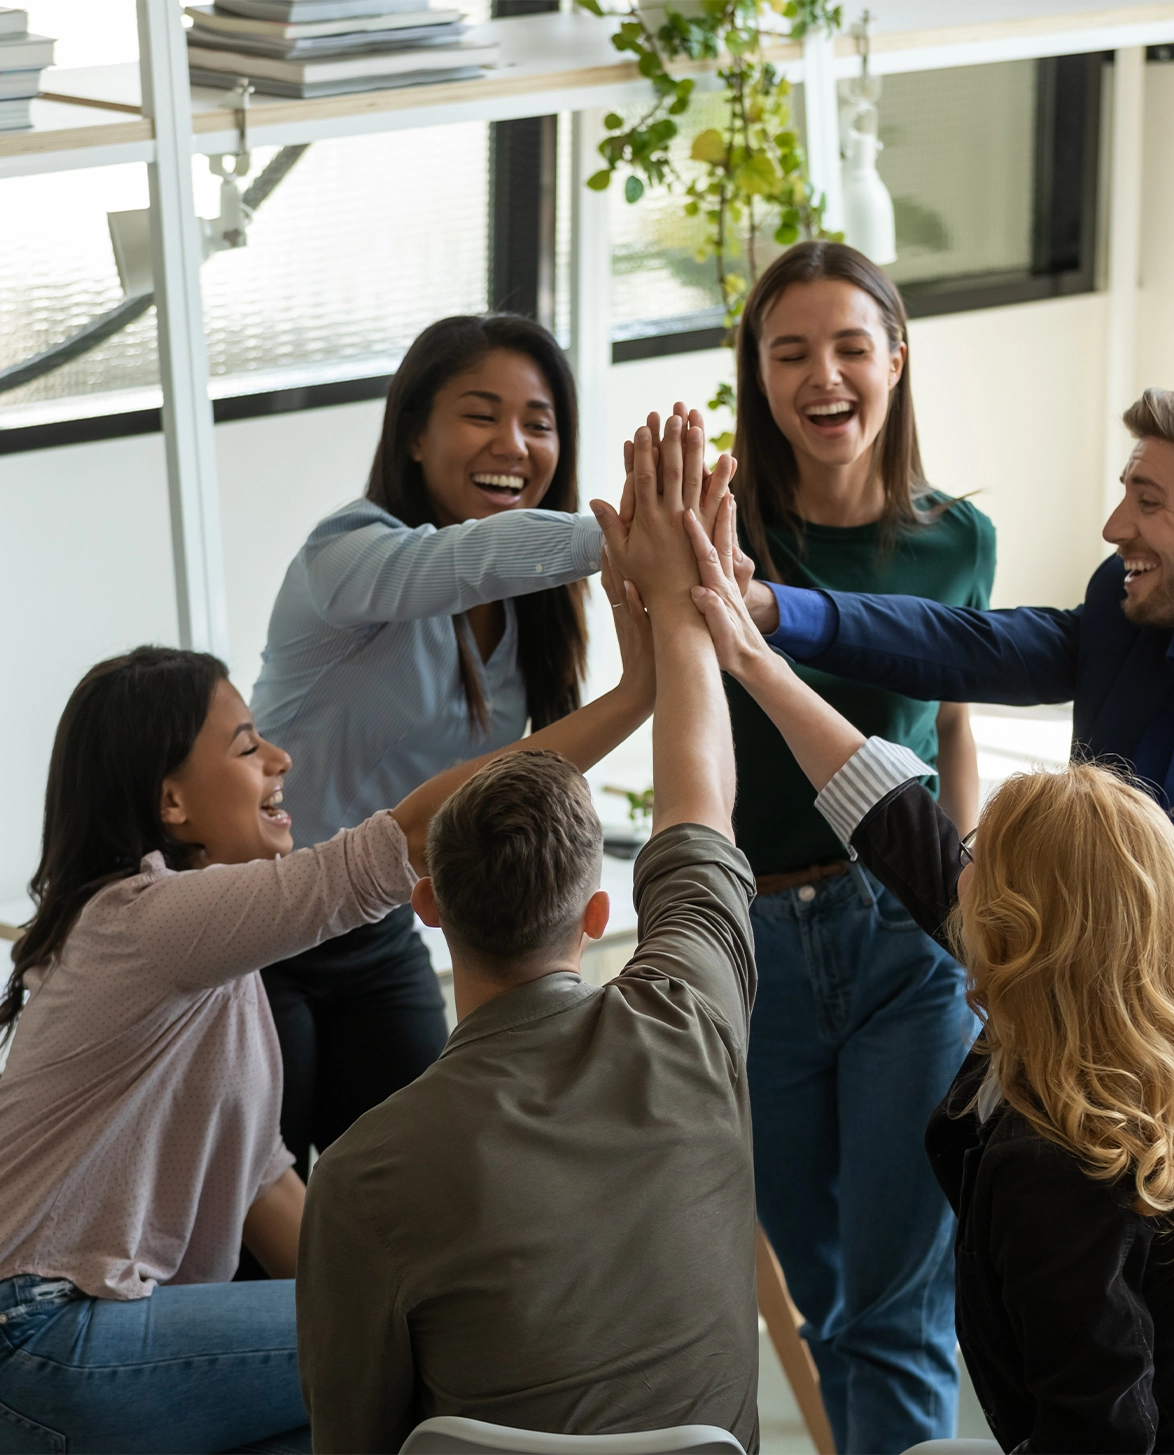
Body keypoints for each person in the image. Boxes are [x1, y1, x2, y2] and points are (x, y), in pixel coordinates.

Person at [736, 385, 1174, 1371]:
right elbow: (974, 644)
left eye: (1145, 498)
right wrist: (770, 611)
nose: (1113, 525)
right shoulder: (1127, 614)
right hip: (1091, 1117)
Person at [0, 564, 653, 1455]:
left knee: (360, 1413)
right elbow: (414, 835)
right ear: (171, 802)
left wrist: (401, 1284)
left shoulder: (205, 962)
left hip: (65, 1348)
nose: (282, 760)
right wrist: (637, 696)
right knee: (431, 1329)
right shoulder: (145, 918)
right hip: (40, 1333)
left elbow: (265, 1188)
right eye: (246, 748)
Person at [295, 418, 761, 1455]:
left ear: (428, 907)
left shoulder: (363, 1172)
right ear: (597, 916)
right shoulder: (688, 1028)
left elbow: (351, 1436)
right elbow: (701, 806)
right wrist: (683, 607)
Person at [250, 315, 726, 1185]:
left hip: (378, 922)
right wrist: (625, 540)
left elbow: (502, 783)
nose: (513, 444)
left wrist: (641, 686)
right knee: (255, 1202)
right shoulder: (344, 555)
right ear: (413, 434)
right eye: (481, 413)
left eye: (539, 423)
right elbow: (462, 561)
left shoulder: (530, 615)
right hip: (260, 926)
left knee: (421, 1183)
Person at [722, 240, 994, 1451]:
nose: (821, 376)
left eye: (847, 347)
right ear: (758, 375)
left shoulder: (958, 541)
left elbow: (952, 725)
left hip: (903, 935)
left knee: (898, 1307)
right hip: (758, 947)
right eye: (789, 353)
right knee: (823, 1305)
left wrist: (965, 906)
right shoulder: (720, 531)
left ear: (894, 358)